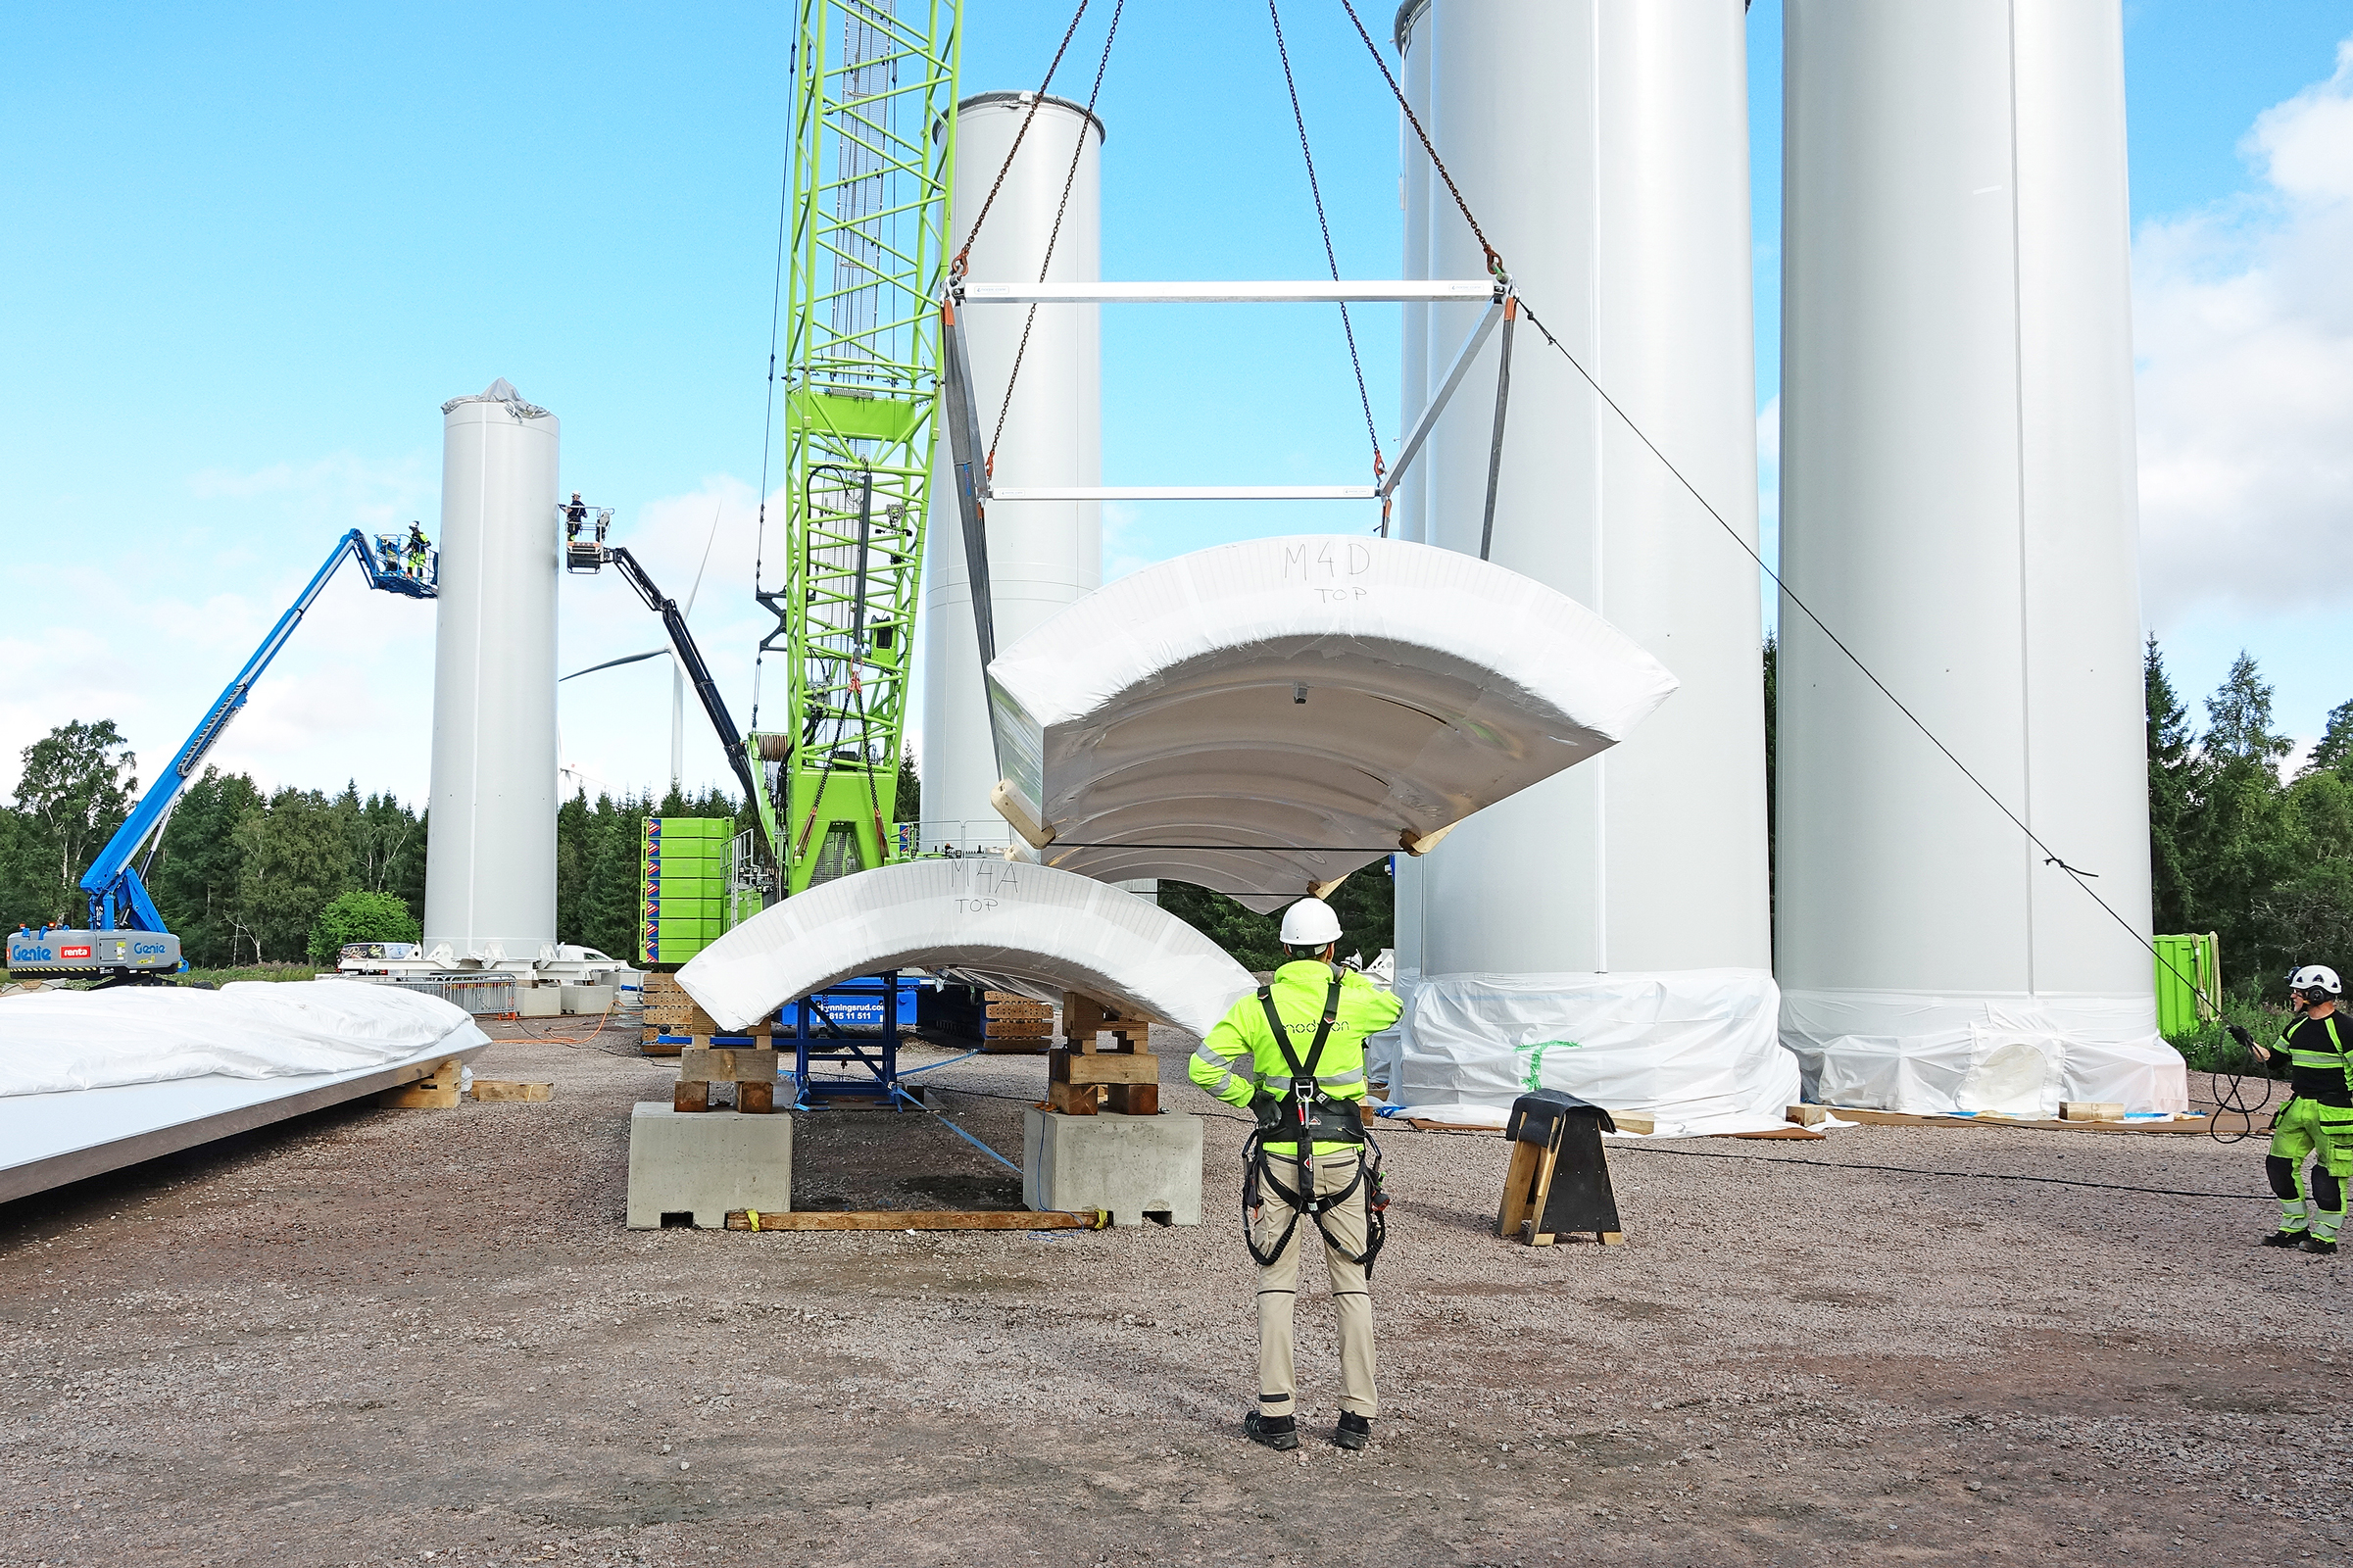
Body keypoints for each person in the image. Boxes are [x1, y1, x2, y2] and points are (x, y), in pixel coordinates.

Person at [1189, 897, 1400, 1452]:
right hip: (1342, 1156)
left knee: (1276, 1282)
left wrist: (1253, 1099)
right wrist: (1346, 978)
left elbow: (1201, 1067)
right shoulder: (1354, 997)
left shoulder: (1255, 1006)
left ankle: (1276, 1414)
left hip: (1280, 1153)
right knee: (1351, 1283)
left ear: (1283, 949)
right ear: (1331, 949)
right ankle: (1357, 1416)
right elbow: (1395, 1008)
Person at [2235, 964, 2349, 1255]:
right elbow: (2272, 1060)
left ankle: (2326, 1236)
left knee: (2326, 1175)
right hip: (2298, 1106)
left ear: (2316, 993)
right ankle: (2293, 1227)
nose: (2292, 995)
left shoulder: (2347, 1030)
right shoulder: (2296, 1027)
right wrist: (2248, 1042)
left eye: (2297, 991)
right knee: (2279, 1166)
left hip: (2335, 1112)